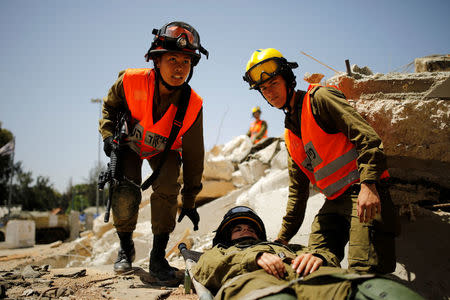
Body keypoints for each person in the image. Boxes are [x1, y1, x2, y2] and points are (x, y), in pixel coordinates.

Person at [242, 48, 397, 274]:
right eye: (263, 89)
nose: (269, 92)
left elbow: (368, 139)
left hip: (364, 193)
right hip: (333, 203)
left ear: (287, 80)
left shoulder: (319, 99)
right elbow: (298, 192)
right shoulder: (290, 134)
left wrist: (369, 185)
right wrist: (282, 238)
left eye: (273, 83)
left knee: (364, 272)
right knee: (310, 264)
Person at [99, 21, 208, 281]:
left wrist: (190, 200)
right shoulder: (130, 81)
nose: (179, 68)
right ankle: (125, 248)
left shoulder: (193, 104)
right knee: (124, 188)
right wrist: (107, 136)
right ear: (156, 61)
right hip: (129, 145)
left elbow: (194, 157)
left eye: (186, 61)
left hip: (164, 151)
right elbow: (109, 107)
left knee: (169, 184)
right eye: (172, 59)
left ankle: (158, 258)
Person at [192, 206, 421, 300]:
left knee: (384, 291)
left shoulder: (286, 248)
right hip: (257, 284)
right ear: (226, 236)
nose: (246, 231)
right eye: (238, 229)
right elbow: (204, 269)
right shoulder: (219, 251)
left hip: (314, 279)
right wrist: (254, 258)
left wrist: (319, 257)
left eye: (251, 228)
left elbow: (325, 253)